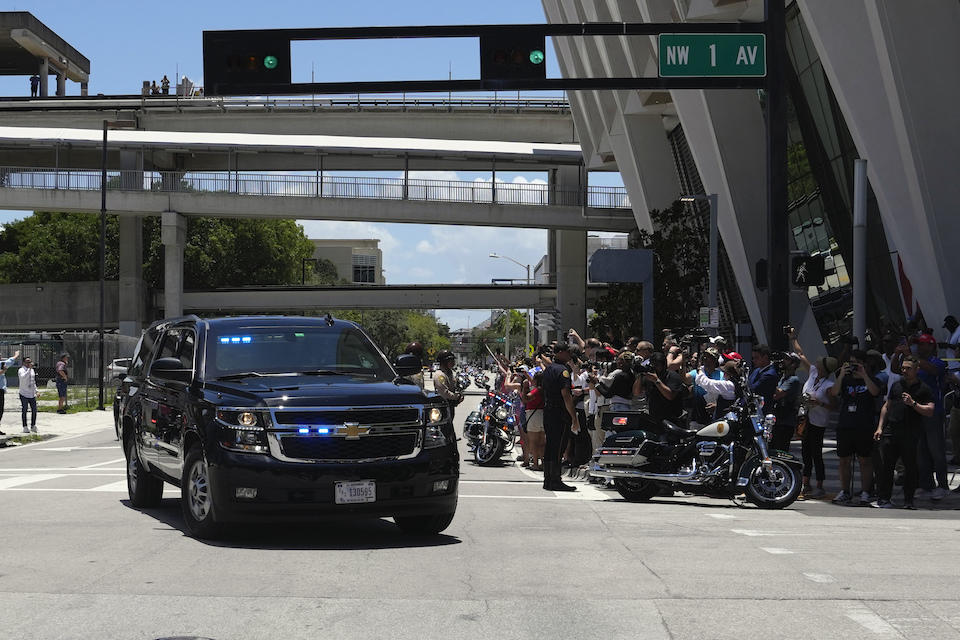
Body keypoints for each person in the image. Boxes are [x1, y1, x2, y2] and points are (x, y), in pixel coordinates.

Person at [873, 355, 934, 509]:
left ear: (917, 370)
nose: (904, 371)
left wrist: (913, 404)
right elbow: (887, 406)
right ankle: (884, 498)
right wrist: (880, 426)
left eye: (908, 368)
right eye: (903, 368)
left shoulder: (923, 388)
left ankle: (908, 500)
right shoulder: (896, 385)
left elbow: (929, 411)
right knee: (887, 467)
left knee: (910, 468)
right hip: (892, 431)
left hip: (910, 433)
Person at [828, 349, 883, 505]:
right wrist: (841, 375)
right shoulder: (845, 380)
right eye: (851, 363)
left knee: (865, 460)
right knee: (844, 460)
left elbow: (875, 392)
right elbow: (834, 392)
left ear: (864, 363)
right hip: (846, 424)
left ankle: (866, 492)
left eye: (857, 363)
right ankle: (845, 491)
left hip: (864, 425)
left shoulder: (872, 379)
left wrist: (864, 375)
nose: (854, 366)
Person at [789, 326, 837, 498]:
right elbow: (800, 355)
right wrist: (793, 338)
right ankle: (806, 483)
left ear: (824, 368)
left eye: (819, 363)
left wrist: (820, 403)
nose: (815, 363)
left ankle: (819, 485)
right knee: (805, 452)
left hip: (818, 421)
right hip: (805, 418)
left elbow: (834, 405)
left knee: (816, 453)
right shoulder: (813, 374)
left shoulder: (828, 385)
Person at [912, 333, 949, 500]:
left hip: (934, 412)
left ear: (931, 346)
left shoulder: (937, 362)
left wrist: (914, 359)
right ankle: (925, 484)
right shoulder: (917, 366)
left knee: (936, 451)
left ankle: (942, 484)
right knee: (921, 451)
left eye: (922, 344)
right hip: (918, 411)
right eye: (917, 344)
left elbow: (933, 370)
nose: (918, 347)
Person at [540, 342, 580, 492]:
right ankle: (555, 480)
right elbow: (566, 395)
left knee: (550, 445)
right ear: (560, 352)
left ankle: (548, 479)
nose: (570, 355)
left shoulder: (549, 368)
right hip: (559, 413)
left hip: (548, 411)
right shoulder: (563, 370)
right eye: (568, 352)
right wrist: (573, 417)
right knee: (558, 446)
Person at [637, 351, 686, 427]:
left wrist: (656, 381)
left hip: (671, 420)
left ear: (663, 366)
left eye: (657, 365)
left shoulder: (673, 376)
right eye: (652, 364)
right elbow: (637, 392)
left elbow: (670, 396)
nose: (654, 368)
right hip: (654, 419)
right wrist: (640, 375)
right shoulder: (649, 377)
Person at [770, 352, 802, 453]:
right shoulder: (782, 378)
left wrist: (770, 378)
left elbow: (777, 395)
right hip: (776, 420)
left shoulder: (794, 380)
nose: (783, 361)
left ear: (793, 365)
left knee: (781, 451)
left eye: (786, 359)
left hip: (785, 422)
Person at [521, 370, 545, 471]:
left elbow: (525, 399)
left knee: (534, 441)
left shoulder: (537, 390)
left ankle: (535, 463)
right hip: (543, 415)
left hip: (534, 415)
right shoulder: (545, 389)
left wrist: (525, 388)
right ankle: (543, 462)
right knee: (542, 441)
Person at [432, 350, 464, 424]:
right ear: (444, 362)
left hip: (449, 406)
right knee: (445, 429)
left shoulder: (449, 373)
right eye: (451, 361)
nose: (453, 363)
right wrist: (457, 397)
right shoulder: (440, 375)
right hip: (443, 407)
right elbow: (444, 393)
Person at [749, 344, 779, 414]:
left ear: (765, 357)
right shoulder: (756, 370)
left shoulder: (770, 374)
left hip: (762, 413)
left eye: (756, 358)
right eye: (753, 358)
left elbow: (752, 389)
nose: (753, 360)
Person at [0, 350, 20, 435]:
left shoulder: (2, 363)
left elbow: (10, 361)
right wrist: (3, 371)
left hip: (1, 389)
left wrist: (16, 355)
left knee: (1, 410)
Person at [18, 357, 38, 434]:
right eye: (27, 362)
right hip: (24, 393)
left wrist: (36, 390)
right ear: (23, 363)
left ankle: (33, 425)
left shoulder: (32, 370)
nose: (29, 363)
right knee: (24, 410)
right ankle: (25, 426)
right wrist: (29, 369)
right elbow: (24, 378)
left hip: (31, 393)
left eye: (30, 362)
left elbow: (33, 381)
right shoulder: (21, 370)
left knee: (34, 410)